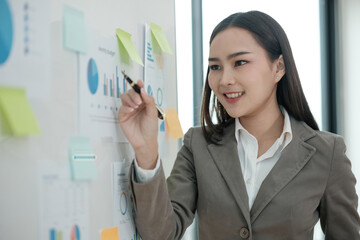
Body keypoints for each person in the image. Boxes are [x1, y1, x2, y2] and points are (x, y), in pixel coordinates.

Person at [118, 10, 360, 240]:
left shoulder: (327, 153)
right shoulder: (198, 145)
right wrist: (146, 151)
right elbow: (161, 234)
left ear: (279, 67)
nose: (225, 80)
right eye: (215, 67)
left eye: (240, 62)